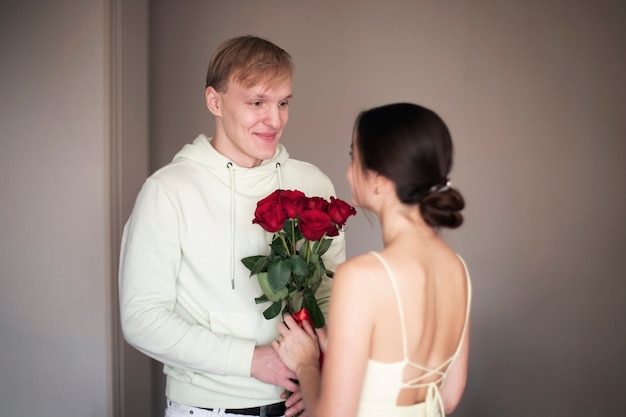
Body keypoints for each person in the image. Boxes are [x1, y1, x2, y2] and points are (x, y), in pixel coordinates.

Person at [118, 35, 345, 417]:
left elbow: (331, 298)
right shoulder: (168, 190)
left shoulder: (314, 184)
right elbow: (141, 318)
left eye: (283, 103)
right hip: (208, 408)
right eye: (257, 102)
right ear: (215, 102)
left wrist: (319, 377)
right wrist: (250, 361)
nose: (274, 120)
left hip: (301, 405)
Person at [273, 102, 471, 417]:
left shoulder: (363, 276)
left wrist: (307, 363)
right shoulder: (457, 268)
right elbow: (445, 399)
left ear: (379, 178)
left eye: (354, 157)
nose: (350, 171)